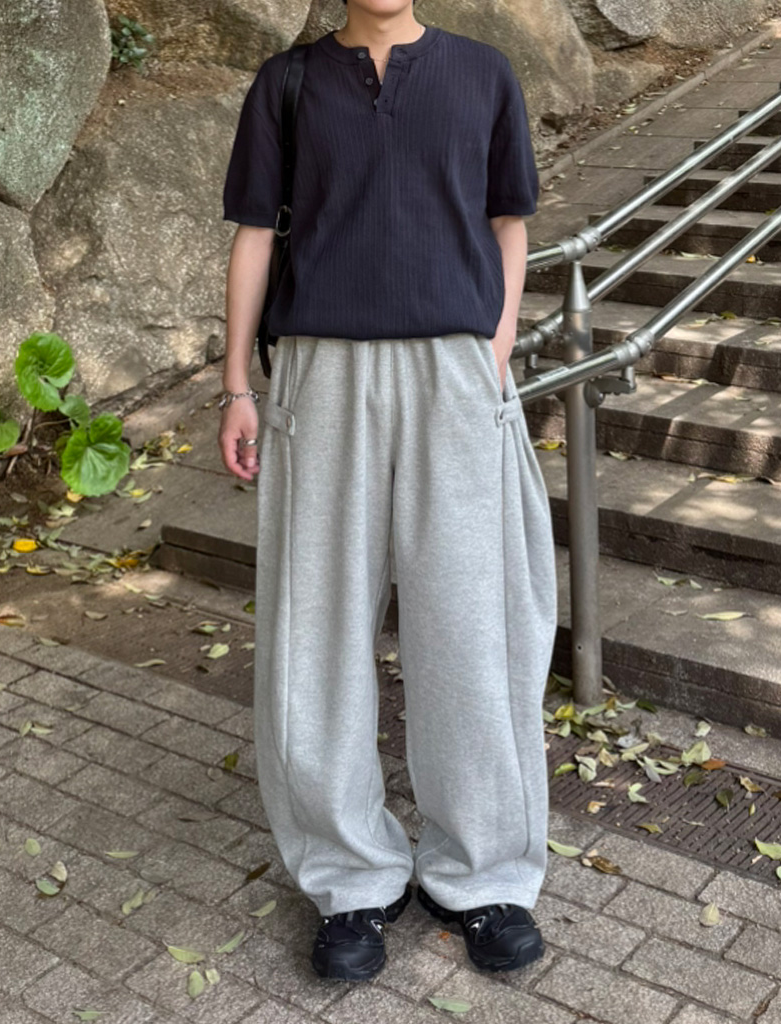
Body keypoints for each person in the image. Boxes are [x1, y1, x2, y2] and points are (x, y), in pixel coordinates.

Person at [218, 0, 558, 983]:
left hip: (454, 371)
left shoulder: (483, 73)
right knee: (314, 631)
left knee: (474, 624)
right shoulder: (286, 86)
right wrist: (236, 385)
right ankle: (349, 878)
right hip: (320, 372)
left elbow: (507, 222)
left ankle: (483, 872)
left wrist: (493, 351)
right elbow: (254, 234)